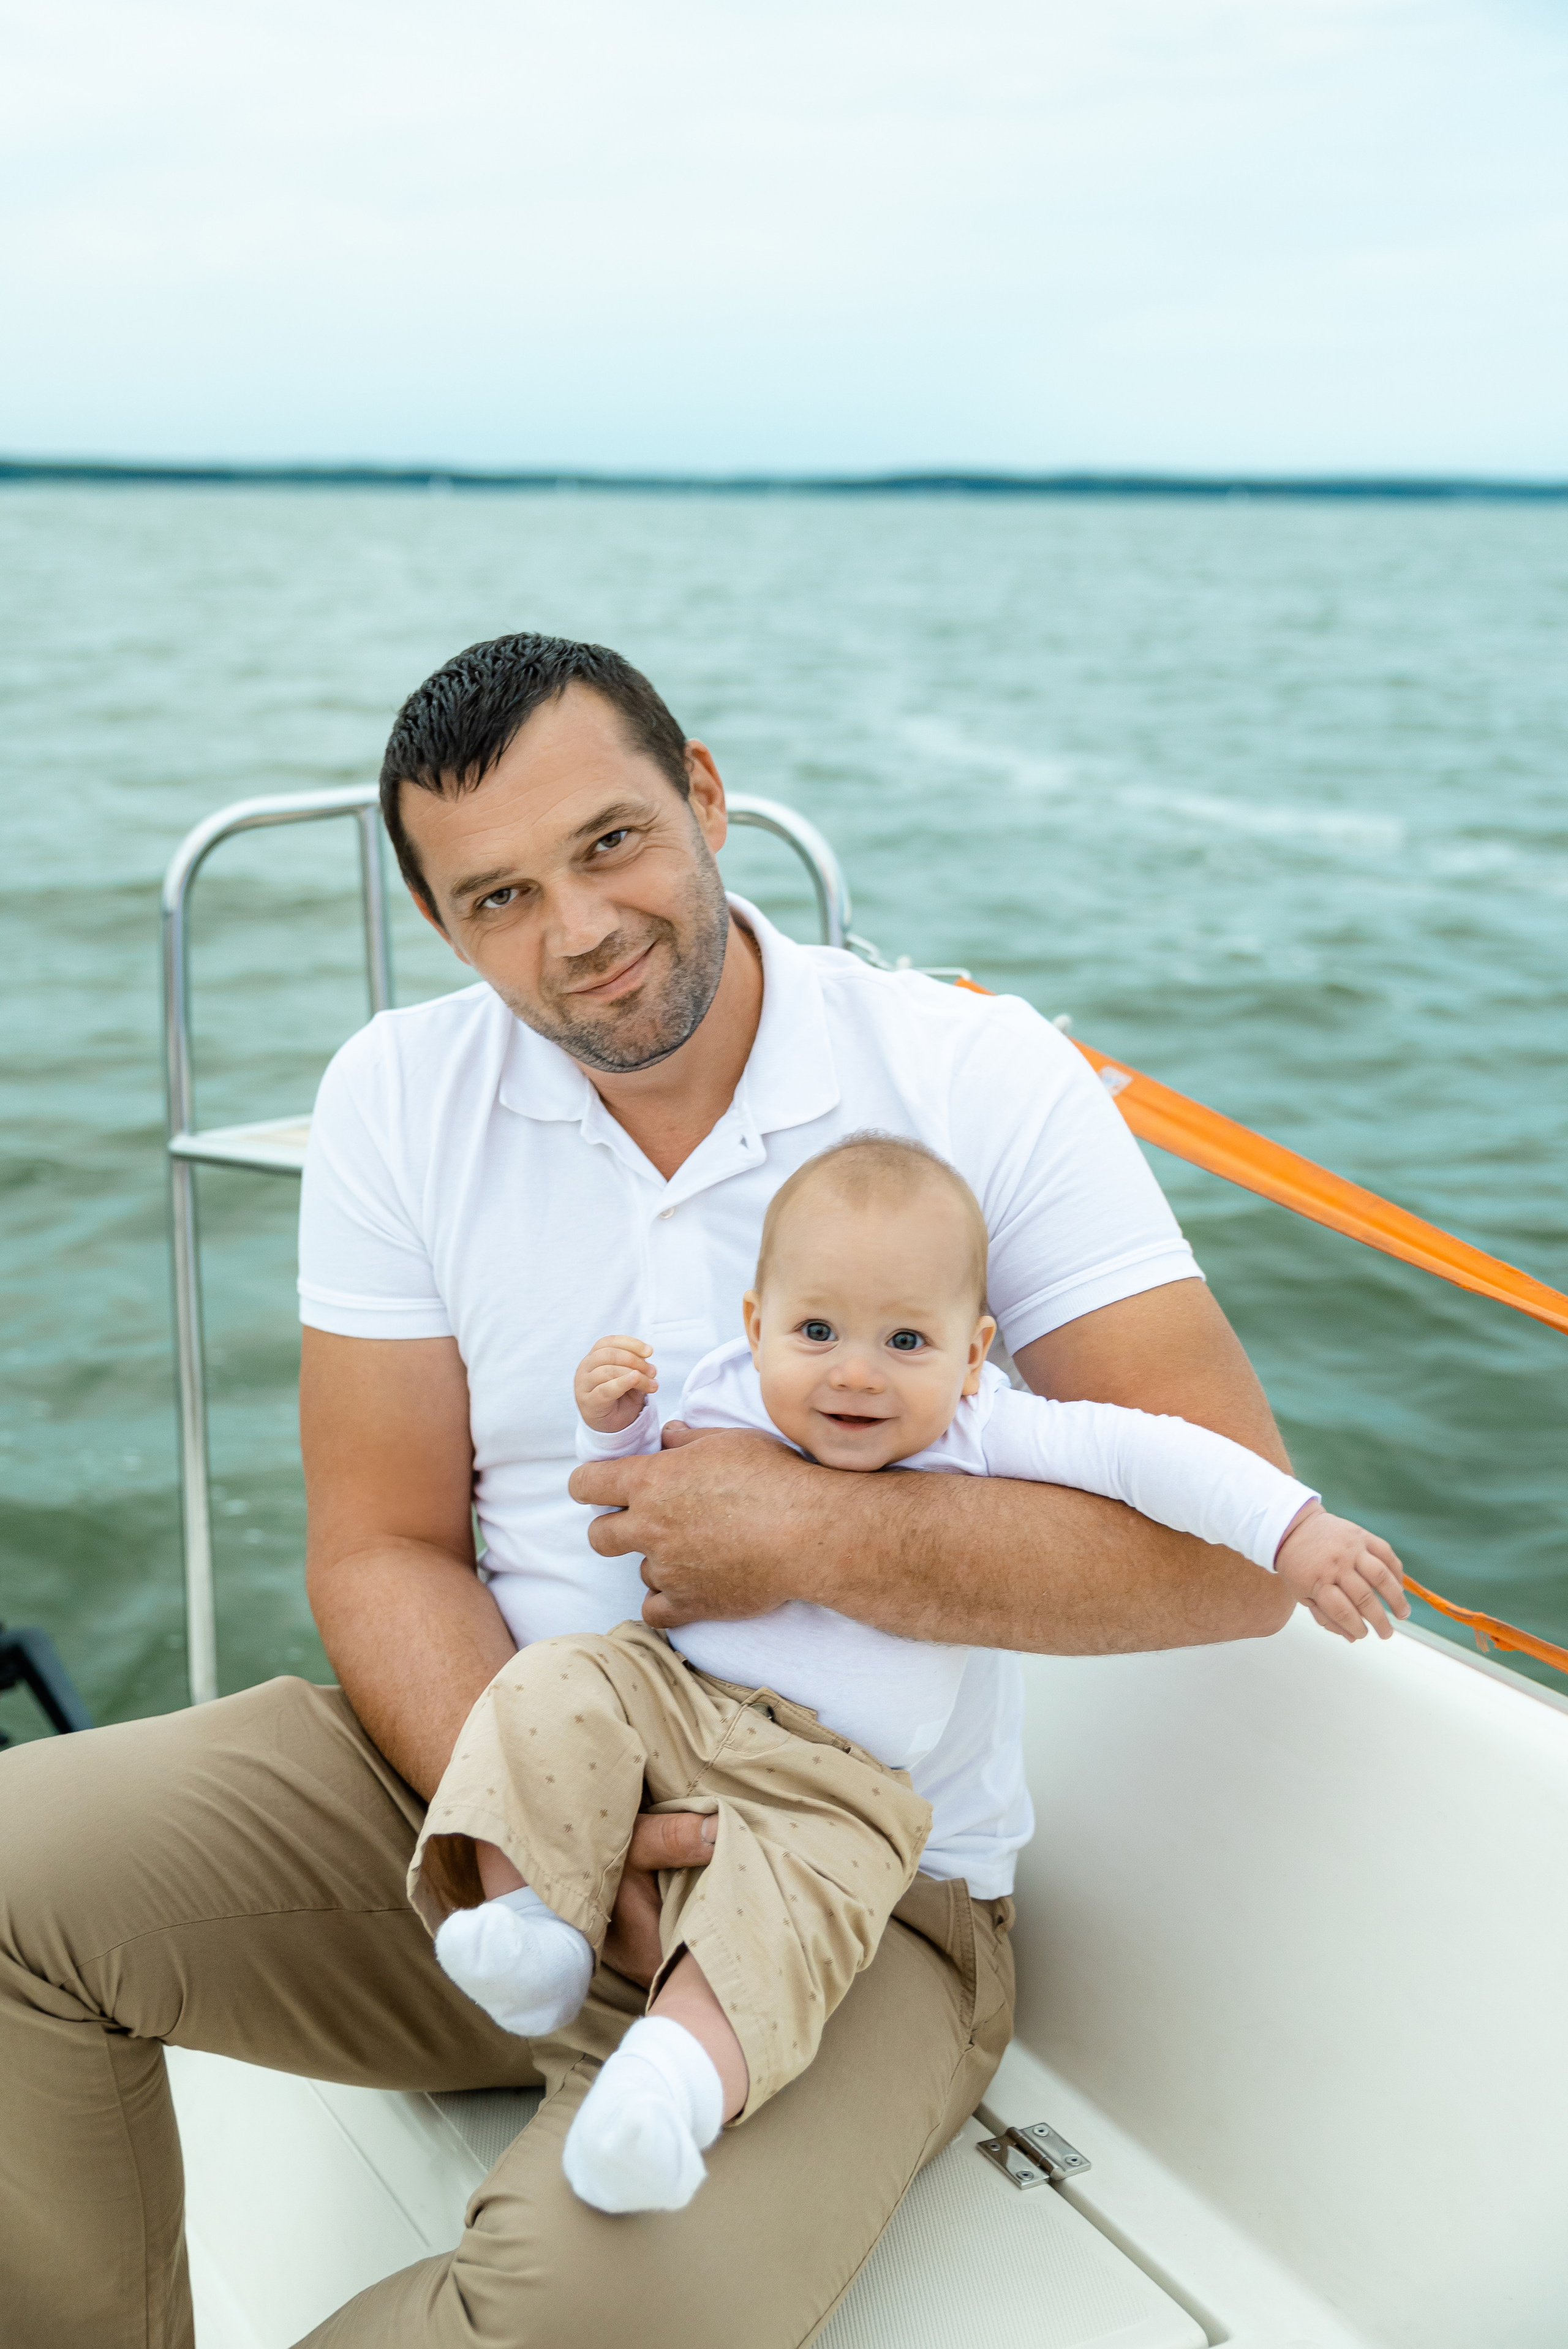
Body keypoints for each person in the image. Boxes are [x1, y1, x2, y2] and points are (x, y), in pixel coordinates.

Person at [0, 630, 1408, 2349]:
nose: (578, 930)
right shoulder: (397, 1095)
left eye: (610, 844)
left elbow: (1233, 1554)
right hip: (493, 1786)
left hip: (861, 1883)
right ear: (446, 928)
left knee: (579, 2319)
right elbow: (382, 1542)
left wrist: (812, 1528)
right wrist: (556, 1834)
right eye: (498, 896)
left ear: (709, 800)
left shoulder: (972, 1074)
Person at [416, 1132, 1405, 2217]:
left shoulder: (987, 1433)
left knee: (784, 1914)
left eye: (904, 1339)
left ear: (972, 1353)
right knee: (552, 1683)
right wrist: (612, 1415)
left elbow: (1147, 1452)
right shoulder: (733, 1387)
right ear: (757, 1326)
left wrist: (1293, 1530)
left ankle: (671, 2088)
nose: (852, 1370)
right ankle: (533, 1923)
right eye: (818, 1330)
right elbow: (635, 1473)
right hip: (672, 1701)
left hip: (831, 1783)